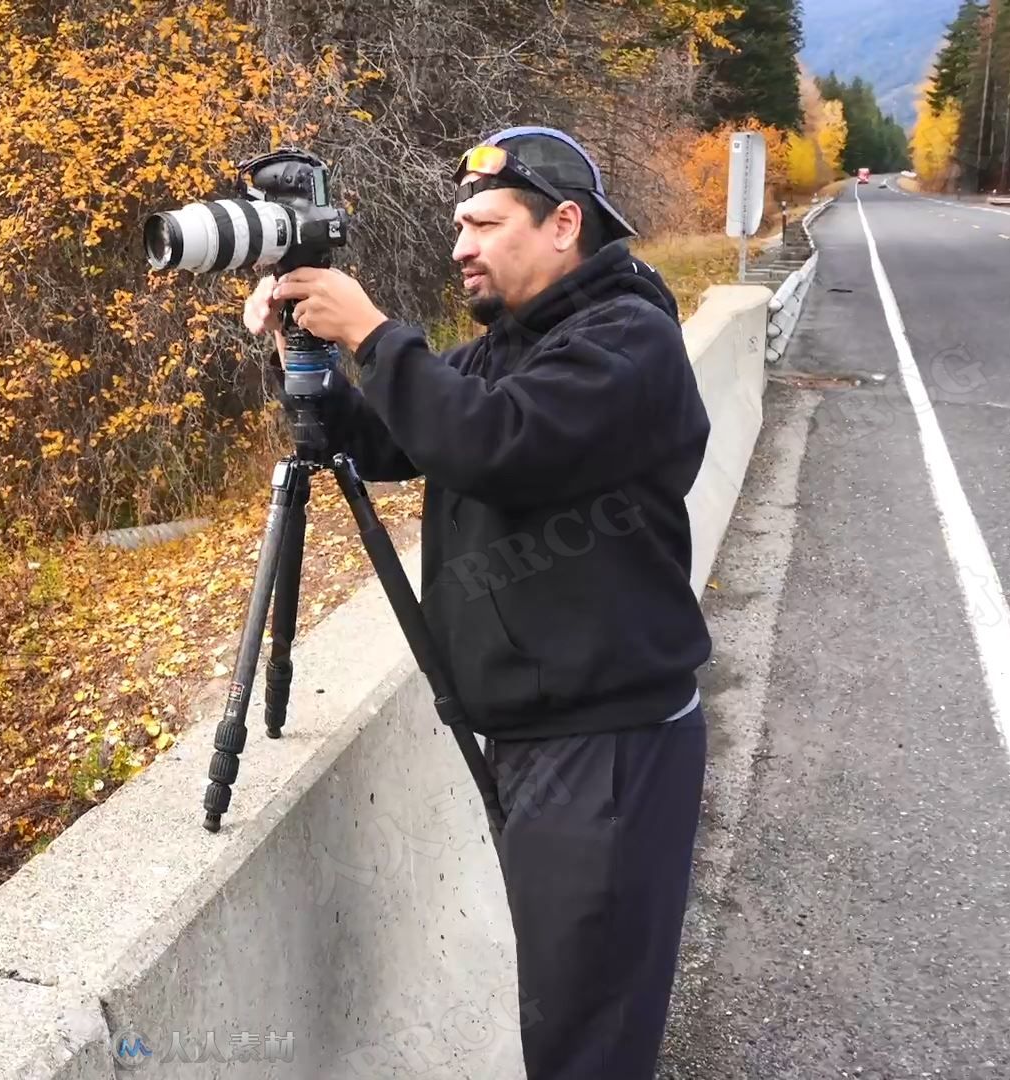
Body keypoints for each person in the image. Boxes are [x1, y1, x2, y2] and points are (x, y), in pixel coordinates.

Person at [243, 126, 713, 1079]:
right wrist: (310, 355)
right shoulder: (517, 345)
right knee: (573, 1009)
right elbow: (388, 439)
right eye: (459, 223)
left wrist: (373, 331)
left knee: (589, 1035)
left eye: (484, 222)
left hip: (608, 744)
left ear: (563, 225)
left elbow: (494, 444)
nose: (459, 243)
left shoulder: (627, 343)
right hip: (545, 734)